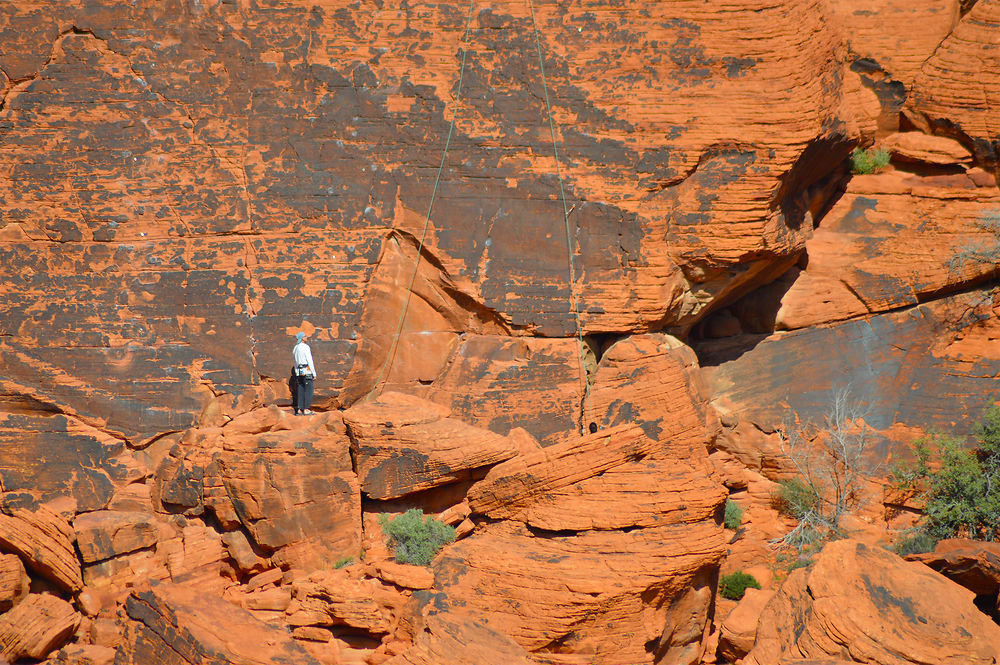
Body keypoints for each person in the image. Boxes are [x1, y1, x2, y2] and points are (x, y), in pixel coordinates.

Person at [292, 331, 317, 415]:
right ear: (302, 338)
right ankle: (306, 409)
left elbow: (295, 361)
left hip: (299, 371)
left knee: (301, 389)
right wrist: (313, 373)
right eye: (305, 336)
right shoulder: (305, 347)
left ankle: (299, 409)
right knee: (308, 389)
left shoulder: (295, 348)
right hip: (306, 369)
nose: (307, 337)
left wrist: (296, 372)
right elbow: (310, 360)